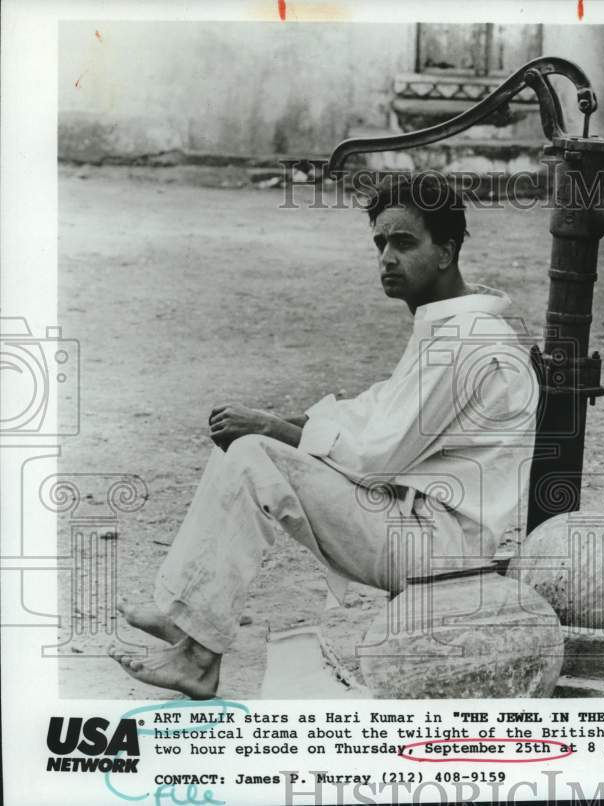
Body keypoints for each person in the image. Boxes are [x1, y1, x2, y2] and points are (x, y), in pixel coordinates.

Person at [109, 172, 539, 699]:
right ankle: (186, 619)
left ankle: (197, 656)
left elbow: (377, 453)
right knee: (248, 444)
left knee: (253, 453)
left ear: (446, 251)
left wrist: (275, 429)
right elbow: (375, 409)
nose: (387, 257)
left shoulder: (466, 339)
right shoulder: (449, 323)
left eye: (405, 243)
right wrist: (288, 421)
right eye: (381, 243)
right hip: (417, 523)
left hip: (443, 548)